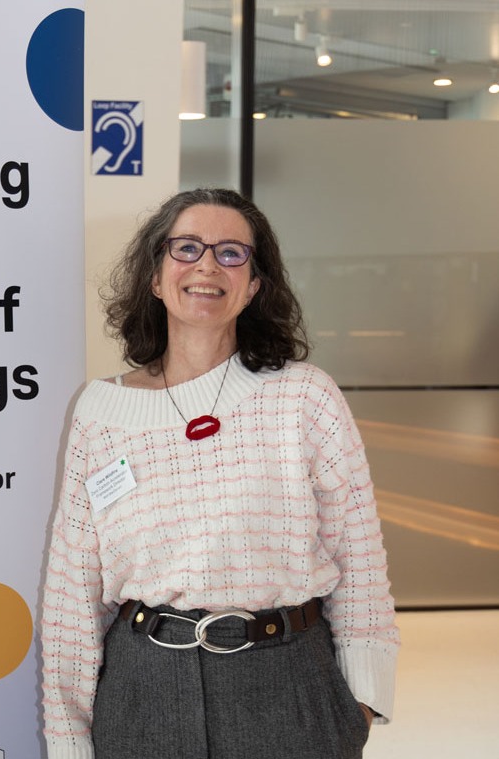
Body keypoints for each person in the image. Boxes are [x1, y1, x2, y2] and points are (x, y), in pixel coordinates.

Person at [40, 188, 399, 759]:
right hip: (142, 695)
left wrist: (358, 705)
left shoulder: (304, 397)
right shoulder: (100, 412)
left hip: (289, 688)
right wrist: (68, 735)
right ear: (155, 276)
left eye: (232, 253)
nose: (207, 264)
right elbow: (72, 591)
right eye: (186, 248)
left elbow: (359, 561)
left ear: (254, 285)